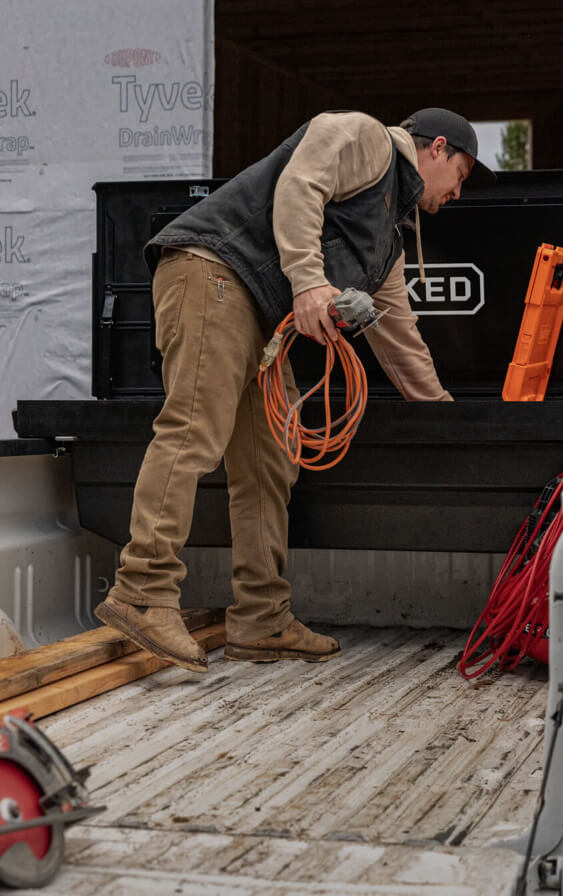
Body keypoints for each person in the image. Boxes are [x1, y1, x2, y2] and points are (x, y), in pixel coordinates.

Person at [94, 108, 495, 672]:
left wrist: (450, 421)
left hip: (254, 309)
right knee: (194, 430)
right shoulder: (364, 136)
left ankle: (260, 620)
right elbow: (300, 185)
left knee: (270, 463)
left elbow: (402, 343)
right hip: (213, 272)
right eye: (463, 172)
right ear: (436, 149)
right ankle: (142, 590)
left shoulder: (387, 243)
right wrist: (309, 283)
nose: (459, 190)